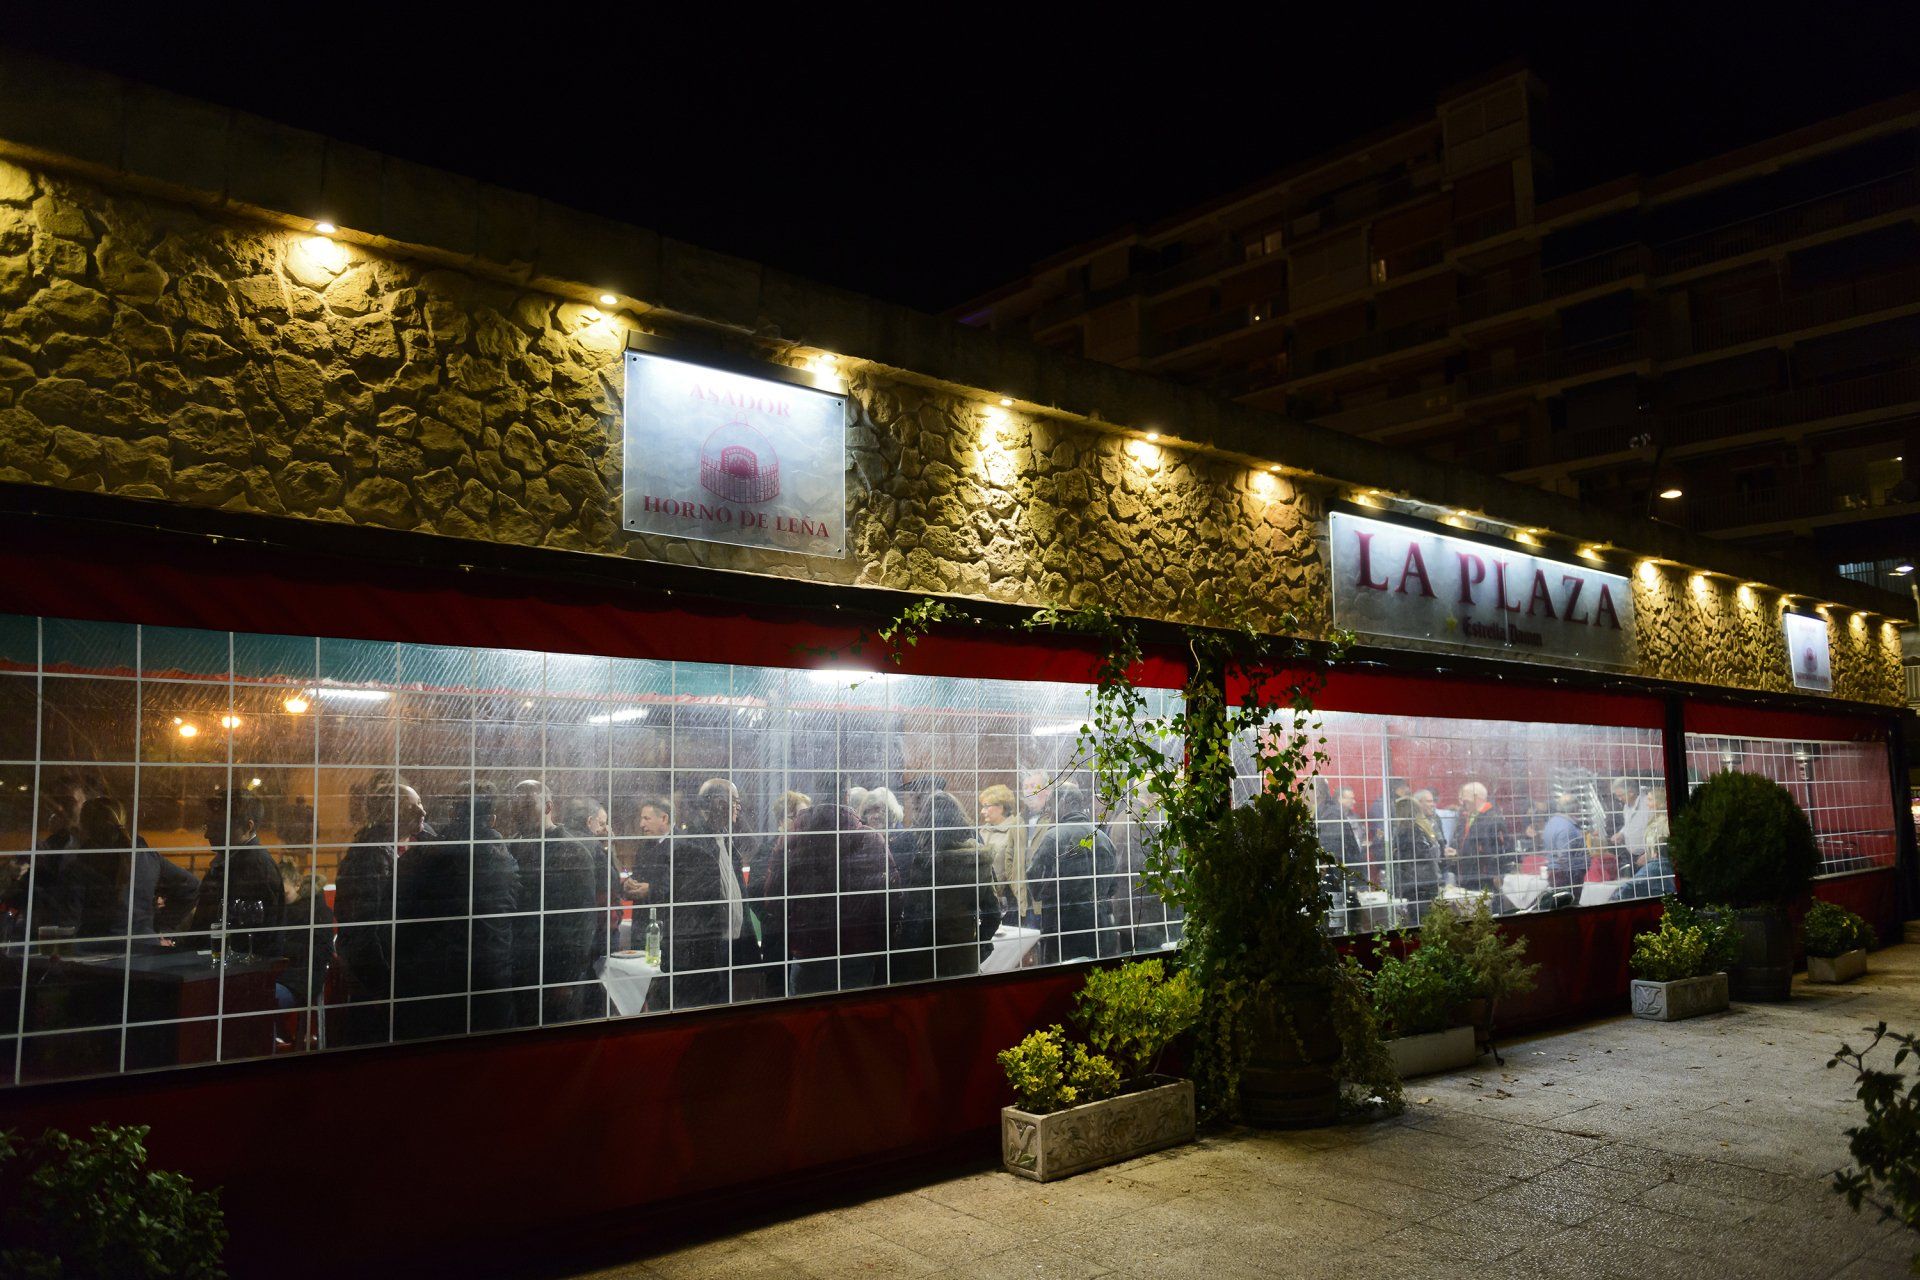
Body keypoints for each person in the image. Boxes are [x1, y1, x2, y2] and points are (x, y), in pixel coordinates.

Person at [393, 783, 519, 1039]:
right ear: (492, 819)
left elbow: (404, 915)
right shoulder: (506, 859)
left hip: (438, 980)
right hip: (492, 975)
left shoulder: (428, 857)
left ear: (452, 814)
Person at [756, 803, 894, 995]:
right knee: (854, 1017)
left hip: (807, 953)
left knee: (807, 1018)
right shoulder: (870, 839)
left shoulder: (791, 840)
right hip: (857, 951)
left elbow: (774, 898)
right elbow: (889, 898)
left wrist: (790, 937)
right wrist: (882, 943)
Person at [331, 778, 426, 1045]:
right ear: (387, 815)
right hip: (377, 987)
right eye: (411, 808)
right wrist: (382, 987)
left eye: (420, 803)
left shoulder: (401, 850)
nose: (422, 812)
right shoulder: (371, 857)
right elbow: (363, 930)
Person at [505, 780, 600, 1026]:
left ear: (548, 807)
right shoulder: (512, 845)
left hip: (555, 970)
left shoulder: (573, 852)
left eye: (526, 805)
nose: (518, 811)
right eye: (514, 805)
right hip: (519, 967)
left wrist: (565, 979)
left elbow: (582, 921)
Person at [892, 788, 1001, 981]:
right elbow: (993, 913)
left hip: (924, 956)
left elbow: (913, 914)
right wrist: (976, 943)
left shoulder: (923, 862)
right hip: (962, 955)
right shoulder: (978, 859)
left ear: (926, 822)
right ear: (959, 819)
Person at [64, 796, 199, 948]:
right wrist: (160, 927)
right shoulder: (146, 855)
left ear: (85, 827)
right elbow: (191, 886)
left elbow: (69, 923)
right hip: (147, 950)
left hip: (98, 954)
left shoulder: (83, 864)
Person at [662, 780, 749, 1010]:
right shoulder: (691, 844)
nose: (738, 809)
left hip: (727, 949)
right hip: (705, 956)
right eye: (736, 802)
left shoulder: (725, 840)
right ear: (721, 804)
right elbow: (691, 911)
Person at [1025, 782, 1120, 964]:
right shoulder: (1102, 837)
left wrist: (1049, 894)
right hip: (1098, 924)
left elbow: (1034, 879)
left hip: (1062, 926)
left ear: (1063, 803)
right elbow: (1113, 885)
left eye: (1052, 805)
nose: (1051, 811)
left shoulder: (1053, 837)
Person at [188, 787, 285, 957]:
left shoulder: (255, 869)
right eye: (208, 825)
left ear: (248, 827)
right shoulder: (235, 861)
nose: (207, 834)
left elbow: (254, 940)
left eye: (217, 827)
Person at [272, 853, 335, 1027]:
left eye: (284, 894)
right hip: (279, 977)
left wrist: (282, 947)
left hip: (299, 981)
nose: (280, 899)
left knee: (256, 1000)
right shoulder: (280, 909)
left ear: (298, 885)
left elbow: (323, 953)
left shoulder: (317, 912)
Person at [1445, 781, 1507, 899]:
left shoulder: (1493, 818)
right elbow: (1471, 845)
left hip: (1485, 878)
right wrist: (1458, 853)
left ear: (1476, 797)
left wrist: (1497, 874)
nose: (1462, 801)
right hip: (1469, 876)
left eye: (1465, 797)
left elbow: (1501, 849)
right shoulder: (1468, 817)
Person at [977, 783, 1029, 924]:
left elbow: (1017, 866)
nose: (982, 811)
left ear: (1001, 807)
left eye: (986, 806)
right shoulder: (982, 831)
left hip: (1008, 901)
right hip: (985, 901)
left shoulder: (1015, 829)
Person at [1392, 789, 1448, 917]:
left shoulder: (1407, 830)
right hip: (1428, 881)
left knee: (1418, 919)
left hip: (1416, 884)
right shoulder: (1423, 827)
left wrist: (1395, 853)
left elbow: (1412, 856)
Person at [1621, 785, 1674, 899]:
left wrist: (1651, 855)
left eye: (1650, 800)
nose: (1647, 803)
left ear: (1659, 802)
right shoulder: (1654, 818)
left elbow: (1665, 845)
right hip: (1654, 864)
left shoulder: (1665, 822)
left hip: (1661, 866)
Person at [1603, 777, 1650, 883]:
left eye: (1621, 795)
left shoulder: (1648, 804)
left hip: (1647, 856)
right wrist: (1621, 833)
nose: (1619, 799)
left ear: (1631, 792)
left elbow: (1658, 829)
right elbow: (1629, 825)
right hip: (1632, 856)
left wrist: (1650, 853)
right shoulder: (1626, 806)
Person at [1539, 789, 1586, 891]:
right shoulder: (1568, 827)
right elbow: (1565, 859)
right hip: (1567, 878)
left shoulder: (1551, 823)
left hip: (1554, 874)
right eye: (1578, 808)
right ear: (1574, 808)